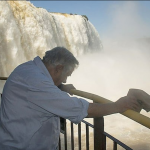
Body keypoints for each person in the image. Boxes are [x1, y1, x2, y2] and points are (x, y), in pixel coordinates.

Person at [0, 47, 141, 150]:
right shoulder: (36, 82)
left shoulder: (28, 69)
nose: (66, 79)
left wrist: (58, 87)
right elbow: (81, 109)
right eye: (67, 75)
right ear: (58, 69)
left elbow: (37, 94)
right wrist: (118, 106)